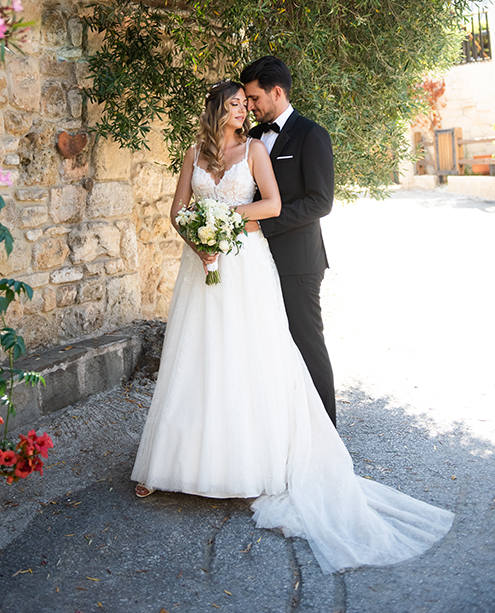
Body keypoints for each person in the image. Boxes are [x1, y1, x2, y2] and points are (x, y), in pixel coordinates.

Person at [131, 81, 454, 574]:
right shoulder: (192, 152)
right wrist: (198, 240)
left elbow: (274, 205)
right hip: (202, 263)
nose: (245, 110)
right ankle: (167, 462)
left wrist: (225, 218)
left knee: (247, 354)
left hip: (244, 261)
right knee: (193, 354)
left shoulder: (255, 149)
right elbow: (177, 211)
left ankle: (248, 462)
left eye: (248, 103)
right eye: (237, 104)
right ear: (219, 109)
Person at [241, 56, 337, 425]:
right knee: (267, 345)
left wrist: (265, 226)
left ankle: (327, 434)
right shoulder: (250, 138)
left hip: (298, 262)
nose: (250, 106)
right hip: (253, 261)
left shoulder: (311, 134)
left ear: (276, 92)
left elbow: (320, 201)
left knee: (307, 344)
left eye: (254, 98)